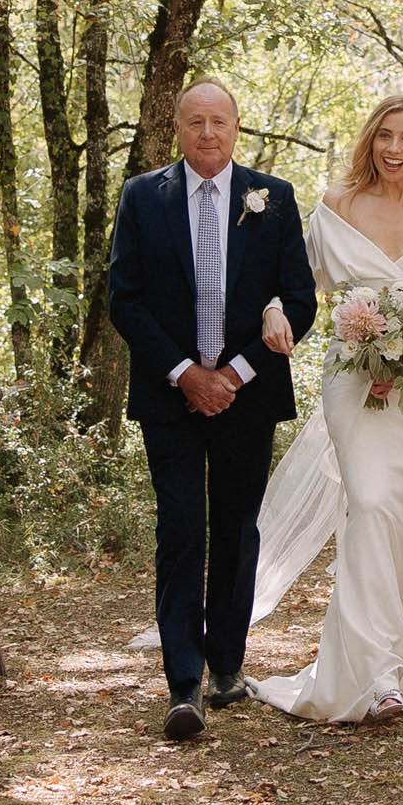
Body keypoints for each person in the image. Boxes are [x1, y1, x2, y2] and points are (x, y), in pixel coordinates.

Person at [249, 96, 403, 720]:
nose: (395, 149)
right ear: (370, 141)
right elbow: (298, 281)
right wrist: (273, 307)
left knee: (396, 519)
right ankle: (379, 677)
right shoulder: (337, 207)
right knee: (370, 505)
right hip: (352, 382)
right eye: (385, 136)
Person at [106, 78, 316, 740]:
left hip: (247, 397)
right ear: (177, 127)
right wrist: (186, 375)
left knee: (234, 527)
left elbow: (299, 300)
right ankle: (182, 680)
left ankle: (227, 664)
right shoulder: (143, 197)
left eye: (218, 121)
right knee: (179, 529)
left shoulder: (273, 199)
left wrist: (233, 374)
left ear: (235, 127)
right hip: (170, 397)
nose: (207, 133)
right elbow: (125, 299)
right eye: (194, 121)